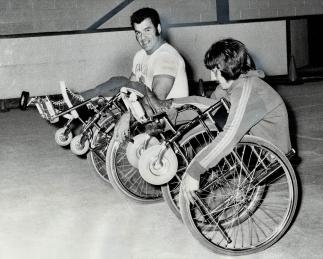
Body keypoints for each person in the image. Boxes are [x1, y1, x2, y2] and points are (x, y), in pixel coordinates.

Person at [115, 38, 292, 204]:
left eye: (215, 70)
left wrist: (196, 170)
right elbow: (207, 112)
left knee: (206, 110)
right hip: (251, 142)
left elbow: (229, 136)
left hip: (267, 157)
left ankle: (164, 109)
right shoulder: (234, 83)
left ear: (226, 67)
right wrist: (176, 137)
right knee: (203, 105)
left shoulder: (249, 91)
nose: (213, 76)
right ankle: (164, 110)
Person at [49, 7, 188, 111]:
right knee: (118, 82)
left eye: (147, 30)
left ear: (158, 28)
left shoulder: (167, 57)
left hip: (170, 115)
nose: (142, 38)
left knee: (121, 83)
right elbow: (130, 87)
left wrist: (124, 114)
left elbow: (157, 100)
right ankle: (75, 101)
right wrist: (106, 99)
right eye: (138, 33)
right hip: (145, 107)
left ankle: (77, 101)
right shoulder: (140, 55)